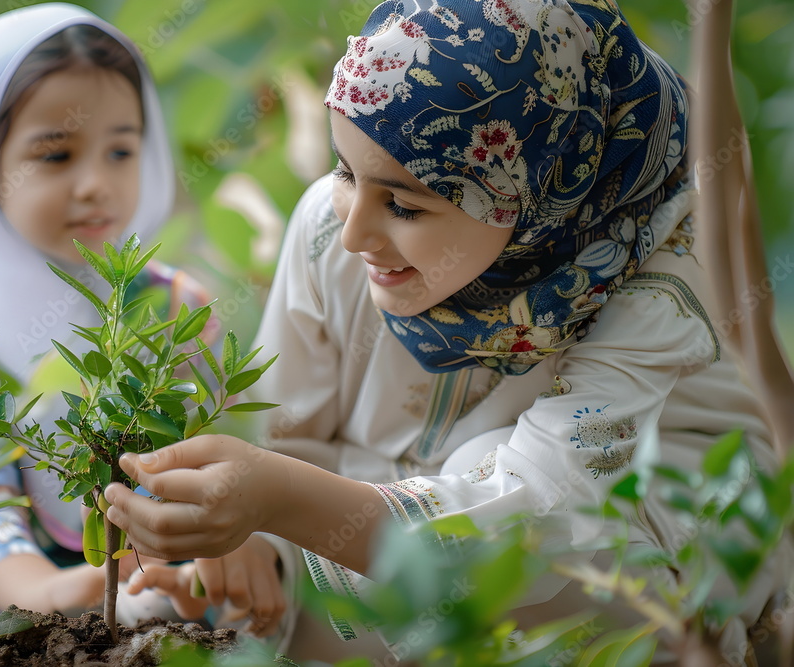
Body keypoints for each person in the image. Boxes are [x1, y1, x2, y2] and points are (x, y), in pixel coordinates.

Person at [103, 0, 793, 662]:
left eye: (403, 203)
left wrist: (277, 502)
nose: (353, 233)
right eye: (346, 172)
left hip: (613, 535)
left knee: (495, 529)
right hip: (380, 503)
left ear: (536, 190)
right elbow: (292, 440)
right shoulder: (329, 233)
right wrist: (259, 543)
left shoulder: (650, 273)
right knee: (164, 606)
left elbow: (544, 510)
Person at [0, 3, 295, 644]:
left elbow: (202, 468)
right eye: (55, 156)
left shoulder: (173, 309)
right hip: (20, 622)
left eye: (121, 150)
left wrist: (211, 562)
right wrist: (53, 591)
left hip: (165, 612)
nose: (96, 184)